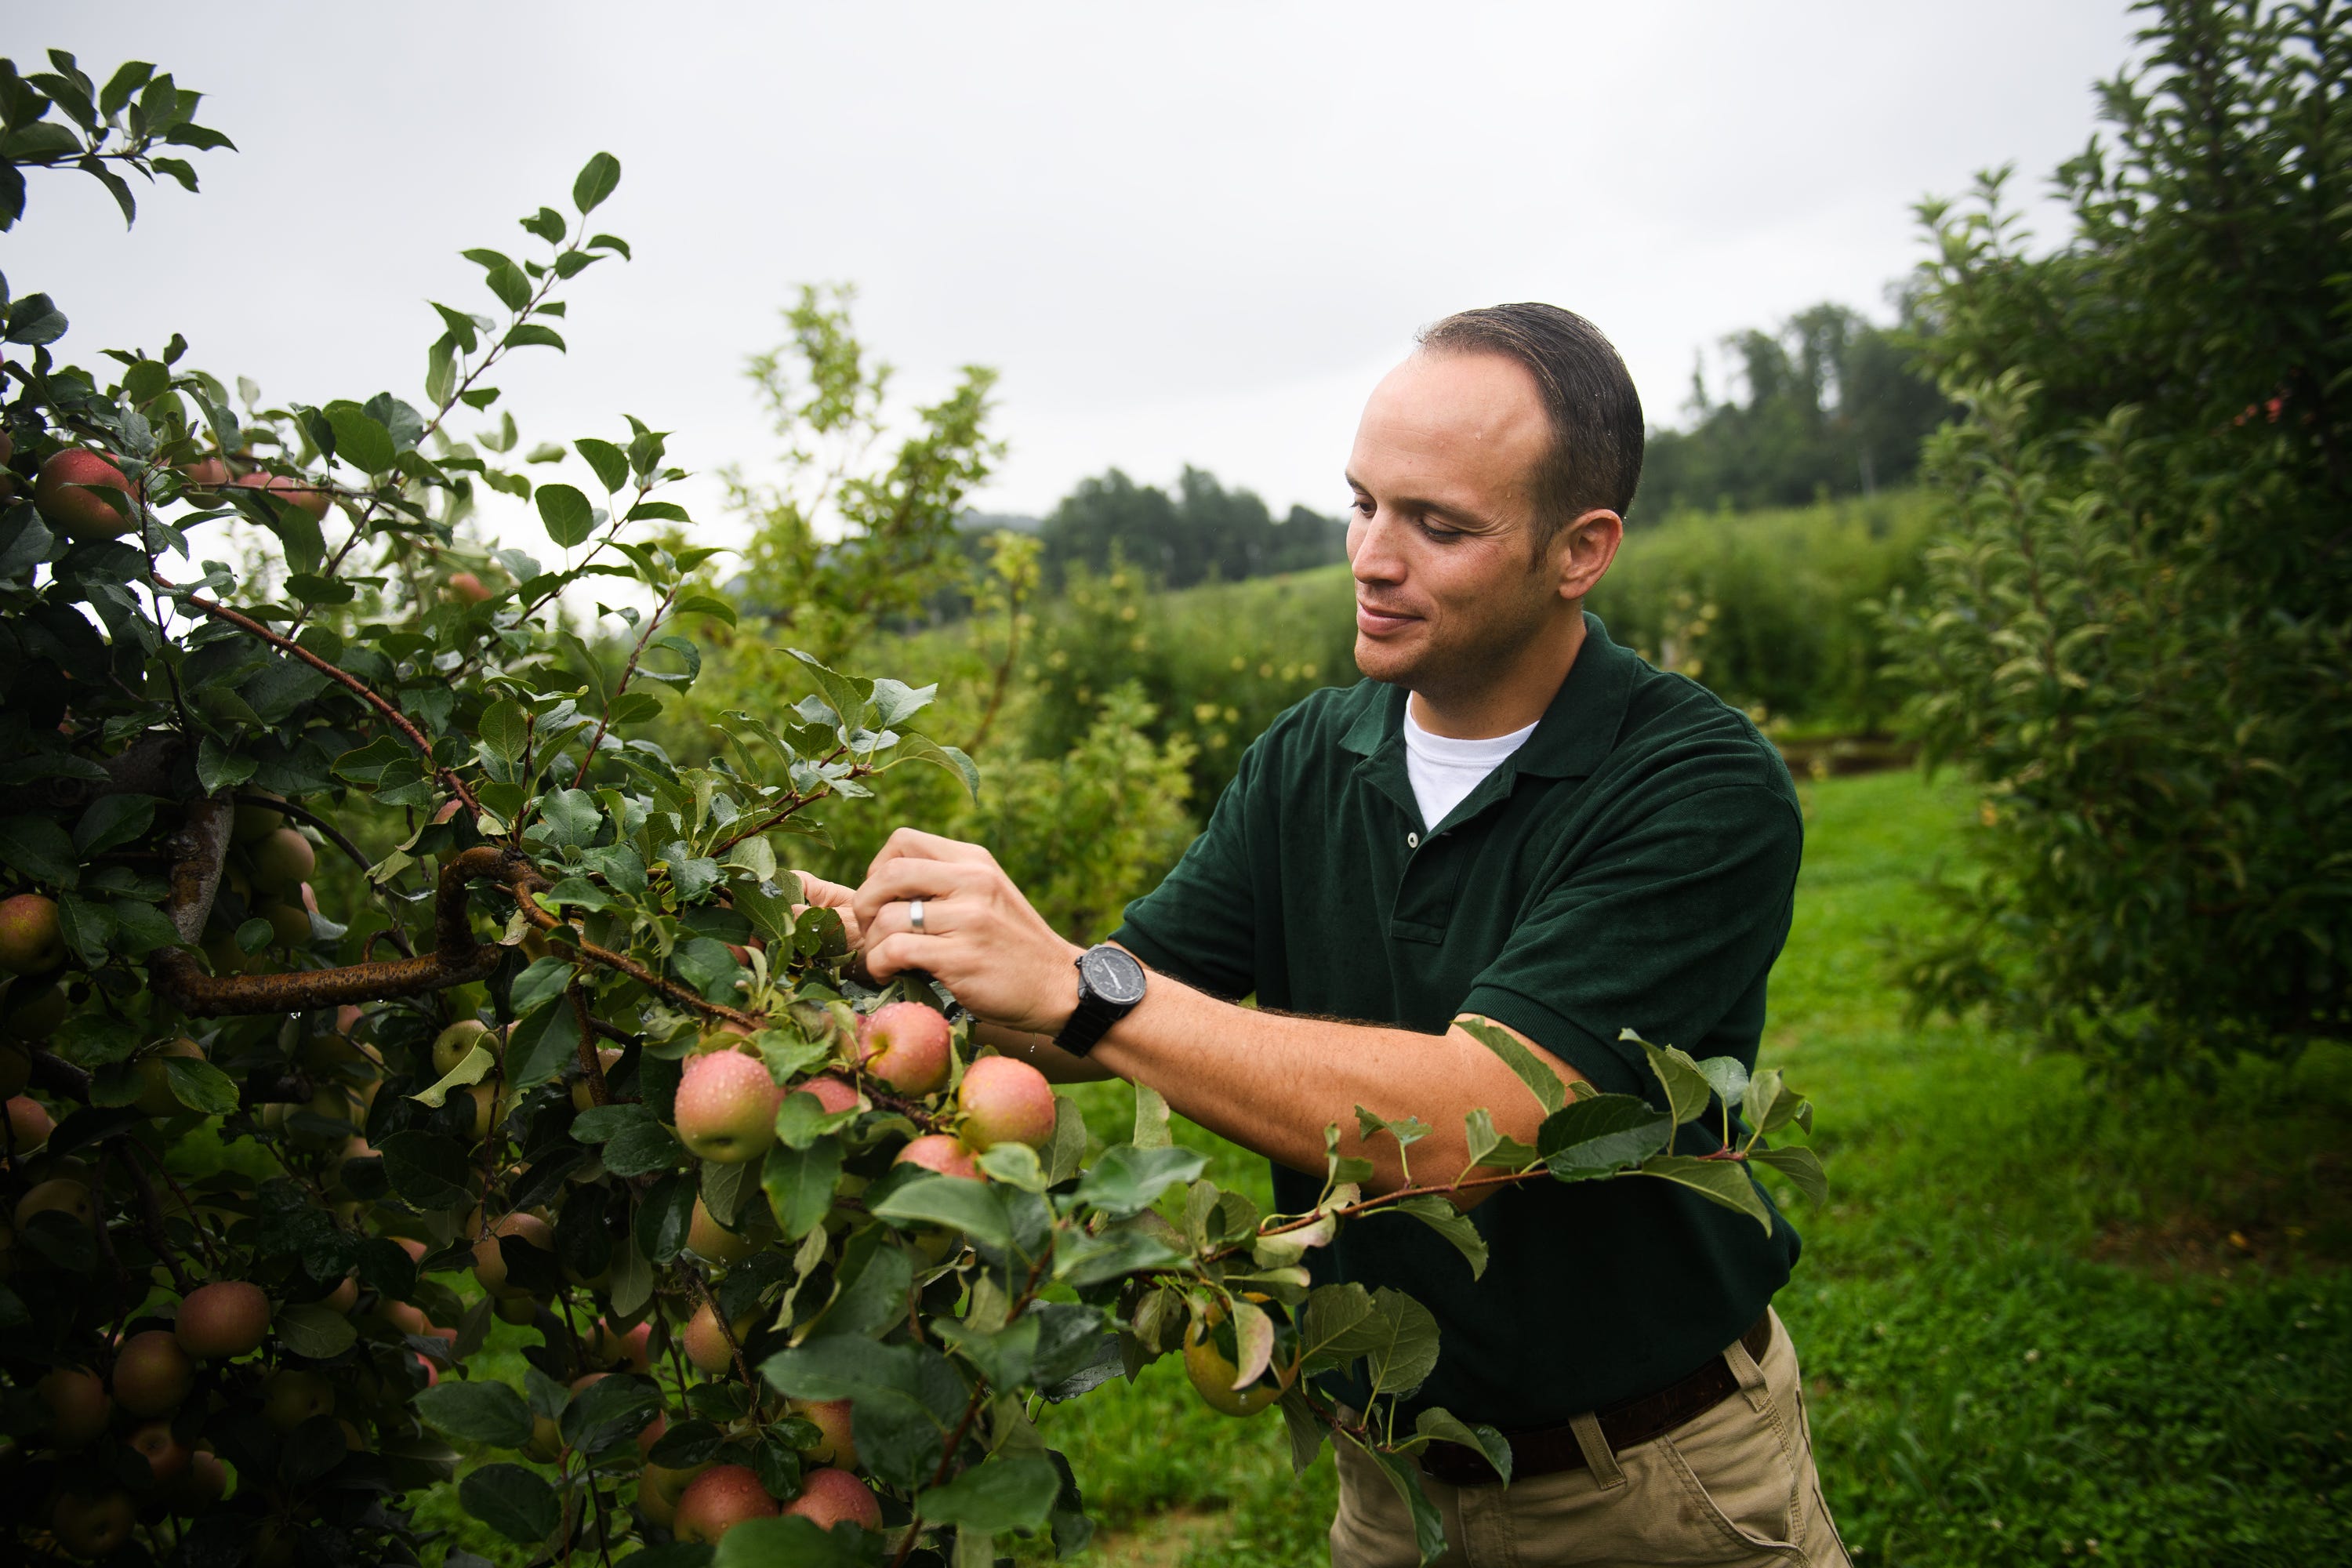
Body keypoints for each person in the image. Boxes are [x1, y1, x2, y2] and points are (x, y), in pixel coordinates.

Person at [807, 303, 1851, 1567]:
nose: (1372, 554)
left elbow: (1480, 1120)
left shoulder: (1693, 784)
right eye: (1361, 504)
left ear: (1581, 551)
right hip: (1392, 1491)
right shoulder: (1312, 755)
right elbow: (1121, 1005)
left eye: (1439, 525)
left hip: (1645, 1486)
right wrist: (882, 957)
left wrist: (1084, 985)